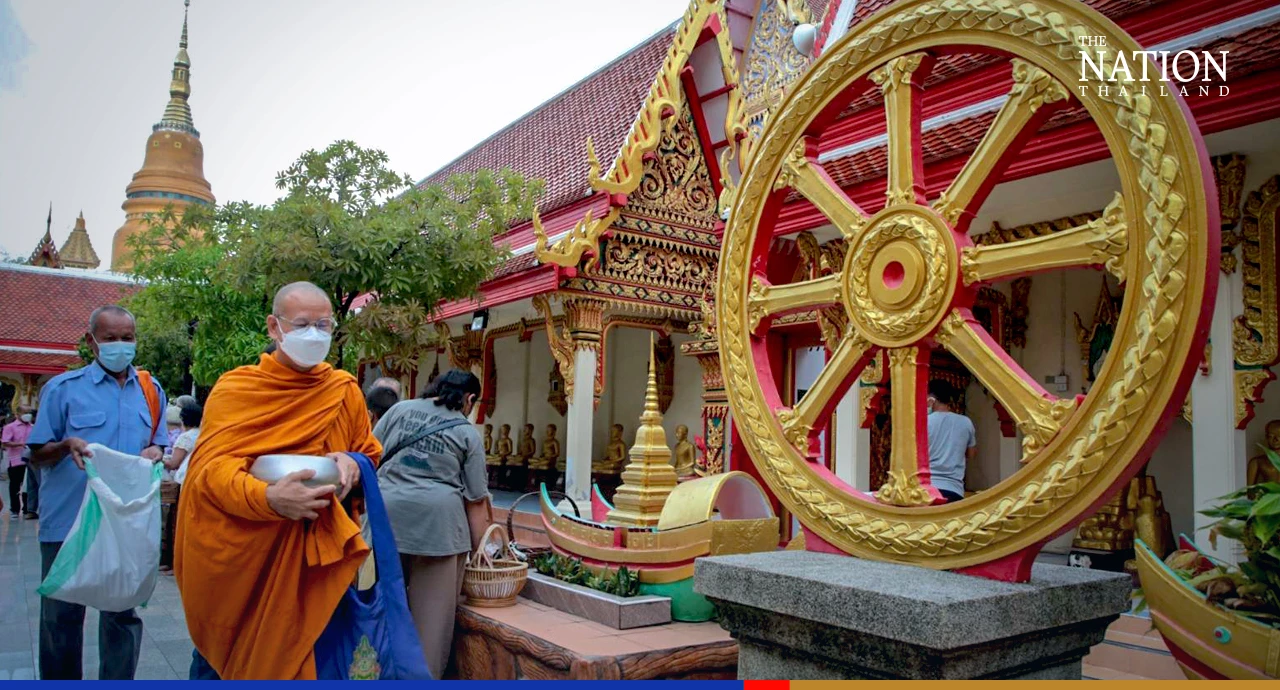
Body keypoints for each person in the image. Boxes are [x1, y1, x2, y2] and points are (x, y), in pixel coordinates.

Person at [175, 281, 380, 680]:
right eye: (301, 324)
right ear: (274, 327)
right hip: (247, 565)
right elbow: (210, 473)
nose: (314, 335)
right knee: (227, 665)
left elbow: (368, 454)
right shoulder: (237, 389)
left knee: (314, 659)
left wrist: (353, 463)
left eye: (323, 325)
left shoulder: (343, 391)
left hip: (316, 564)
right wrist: (268, 499)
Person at [27, 305, 169, 681]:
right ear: (92, 342)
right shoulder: (62, 389)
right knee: (60, 617)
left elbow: (159, 445)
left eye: (127, 338)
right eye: (110, 338)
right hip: (68, 522)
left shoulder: (151, 391)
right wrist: (66, 446)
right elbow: (36, 454)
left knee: (122, 615)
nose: (120, 345)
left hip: (125, 523)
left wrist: (156, 452)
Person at [373, 369, 491, 679]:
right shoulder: (467, 433)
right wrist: (484, 550)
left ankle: (370, 670)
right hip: (438, 531)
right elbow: (476, 502)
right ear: (469, 399)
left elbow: (368, 454)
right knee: (432, 625)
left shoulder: (399, 410)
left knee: (379, 606)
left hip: (385, 521)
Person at [159, 396, 202, 574]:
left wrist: (160, 459)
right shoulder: (203, 434)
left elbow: (174, 463)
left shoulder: (185, 437)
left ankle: (173, 562)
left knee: (175, 523)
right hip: (198, 480)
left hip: (183, 482)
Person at [925, 381, 976, 503]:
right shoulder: (966, 422)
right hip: (954, 490)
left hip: (927, 489)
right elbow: (971, 454)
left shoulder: (924, 422)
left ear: (931, 400)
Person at [2, 407, 33, 518]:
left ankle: (28, 509)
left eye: (29, 412)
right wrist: (20, 444)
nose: (28, 415)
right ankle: (14, 509)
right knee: (15, 485)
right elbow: (5, 442)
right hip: (15, 460)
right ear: (18, 414)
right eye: (25, 412)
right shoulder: (10, 427)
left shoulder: (33, 427)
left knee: (28, 486)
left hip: (30, 461)